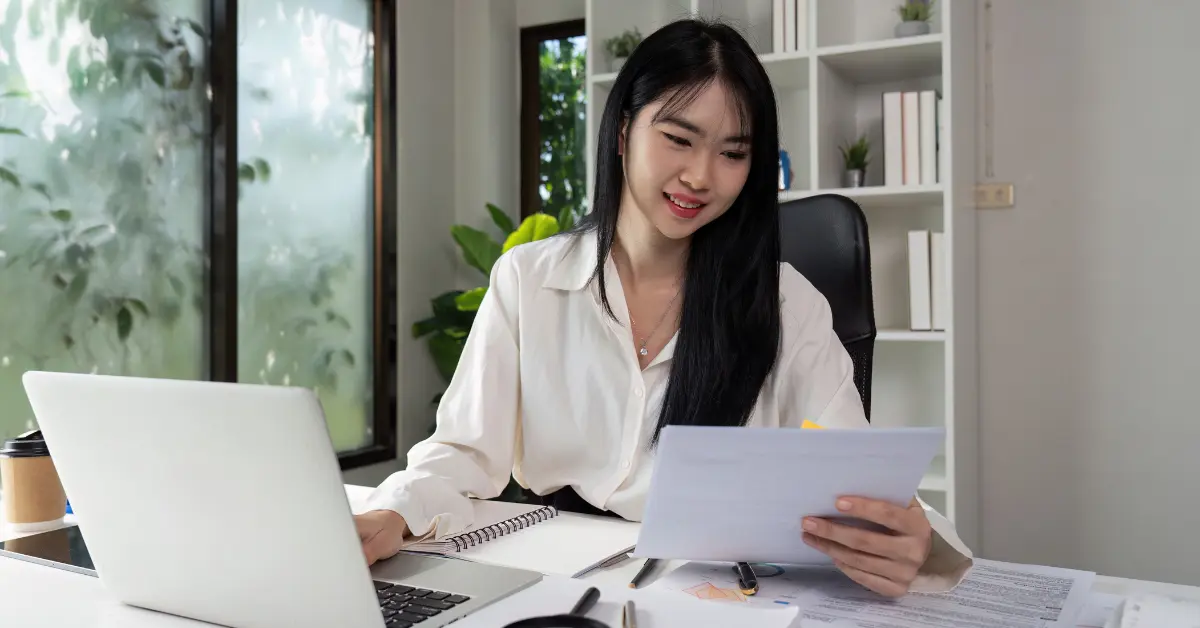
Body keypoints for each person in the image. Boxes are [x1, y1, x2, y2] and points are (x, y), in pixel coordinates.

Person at [356, 18, 973, 597]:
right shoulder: (529, 280)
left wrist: (912, 541)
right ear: (623, 132)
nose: (702, 176)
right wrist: (394, 512)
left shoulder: (786, 304)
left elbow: (857, 478)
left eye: (733, 154)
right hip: (553, 578)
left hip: (717, 592)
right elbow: (463, 451)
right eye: (679, 138)